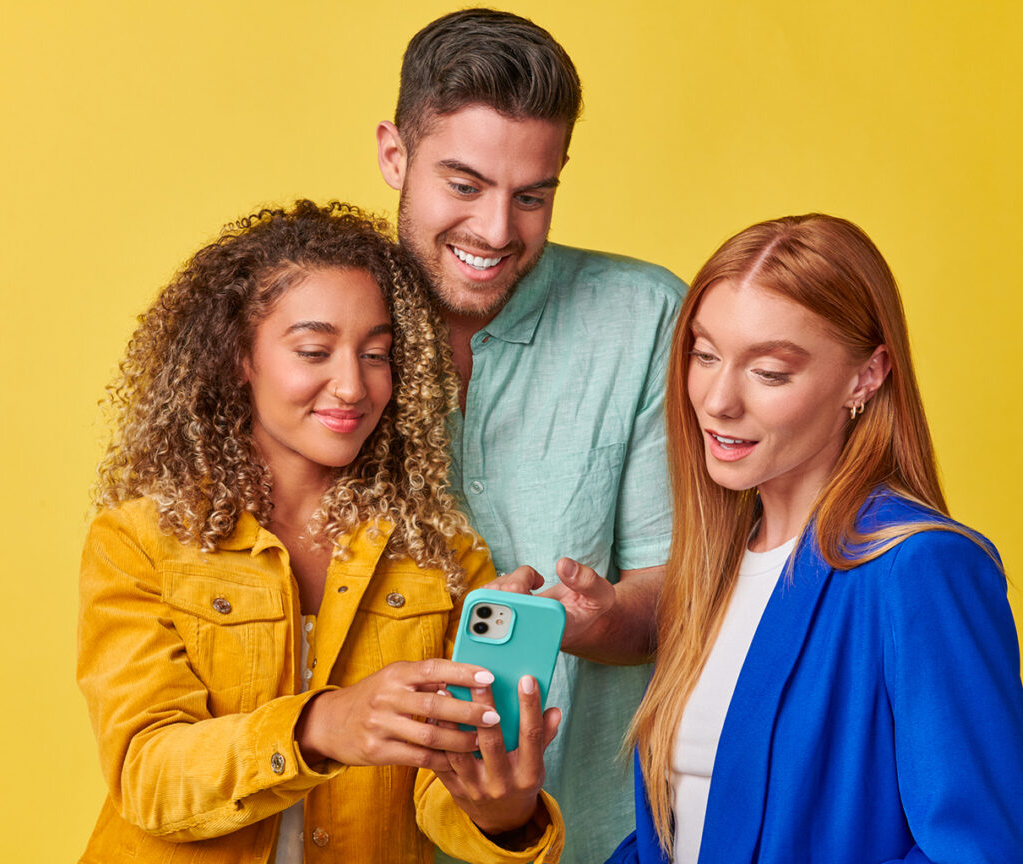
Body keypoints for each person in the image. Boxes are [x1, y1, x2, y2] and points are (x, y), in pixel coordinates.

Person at [76, 200, 565, 864]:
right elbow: (148, 774)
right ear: (238, 358)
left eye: (377, 354)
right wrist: (321, 727)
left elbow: (443, 796)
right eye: (314, 349)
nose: (352, 386)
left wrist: (502, 811)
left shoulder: (442, 558)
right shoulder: (138, 540)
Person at [607, 213, 1023, 863]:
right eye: (705, 354)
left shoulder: (922, 568)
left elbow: (979, 850)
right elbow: (675, 834)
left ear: (866, 376)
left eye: (769, 372)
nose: (718, 400)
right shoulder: (709, 570)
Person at [375, 11, 685, 861]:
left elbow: (679, 590)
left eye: (532, 195)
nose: (497, 231)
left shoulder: (647, 317)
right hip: (365, 835)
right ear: (394, 156)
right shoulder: (320, 321)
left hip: (587, 830)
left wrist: (602, 616)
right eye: (464, 185)